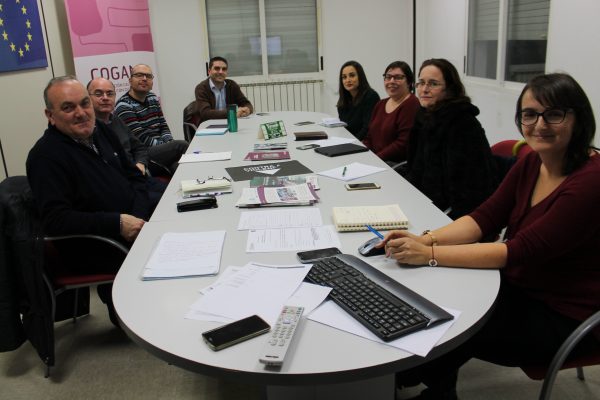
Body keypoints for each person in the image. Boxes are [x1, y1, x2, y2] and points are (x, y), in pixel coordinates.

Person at [382, 73, 600, 399]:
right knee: (440, 294)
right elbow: (484, 217)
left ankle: (410, 379)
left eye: (554, 114)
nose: (540, 124)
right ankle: (422, 383)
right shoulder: (532, 162)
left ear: (578, 118)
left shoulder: (590, 182)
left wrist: (428, 254)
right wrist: (425, 239)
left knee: (454, 322)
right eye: (530, 114)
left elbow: (518, 251)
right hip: (520, 284)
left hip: (562, 312)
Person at [27, 76, 153, 325]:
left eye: (84, 104)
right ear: (50, 115)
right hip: (97, 244)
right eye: (68, 107)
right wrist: (117, 223)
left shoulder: (101, 131)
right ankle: (132, 314)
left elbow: (135, 178)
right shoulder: (45, 157)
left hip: (131, 226)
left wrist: (138, 218)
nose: (81, 113)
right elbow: (56, 220)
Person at [403, 58, 498, 219]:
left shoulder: (463, 124)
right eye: (421, 83)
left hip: (449, 215)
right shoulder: (424, 115)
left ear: (449, 89)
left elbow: (467, 190)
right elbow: (416, 168)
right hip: (422, 202)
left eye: (433, 84)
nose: (424, 89)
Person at [87, 77, 167, 206]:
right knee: (165, 202)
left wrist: (141, 163)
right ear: (87, 98)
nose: (105, 98)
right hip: (122, 189)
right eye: (98, 94)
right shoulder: (88, 130)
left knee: (174, 192)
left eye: (110, 93)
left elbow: (139, 148)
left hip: (138, 178)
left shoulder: (116, 120)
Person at [115, 64, 188, 174]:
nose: (144, 79)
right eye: (139, 75)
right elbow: (141, 139)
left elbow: (163, 126)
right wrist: (168, 147)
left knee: (177, 166)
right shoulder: (124, 105)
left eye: (148, 76)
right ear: (130, 80)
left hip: (159, 150)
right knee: (181, 146)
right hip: (142, 154)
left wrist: (168, 143)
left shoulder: (152, 97)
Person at [362, 61, 420, 164]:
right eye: (388, 77)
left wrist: (375, 159)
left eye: (398, 77)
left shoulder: (412, 104)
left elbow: (402, 144)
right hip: (376, 161)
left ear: (409, 82)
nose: (391, 81)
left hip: (394, 165)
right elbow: (369, 137)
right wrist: (363, 154)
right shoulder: (380, 104)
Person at [193, 56, 253, 123]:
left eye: (224, 69)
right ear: (209, 71)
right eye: (217, 68)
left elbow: (246, 103)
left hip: (230, 122)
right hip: (210, 124)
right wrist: (232, 113)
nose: (221, 72)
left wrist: (247, 110)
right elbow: (205, 113)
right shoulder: (201, 88)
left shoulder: (232, 85)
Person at [336, 60, 380, 140]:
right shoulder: (344, 99)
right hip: (349, 140)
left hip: (364, 142)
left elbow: (367, 128)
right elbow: (344, 126)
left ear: (360, 77)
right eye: (344, 77)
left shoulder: (371, 96)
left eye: (352, 75)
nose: (348, 80)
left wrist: (353, 142)